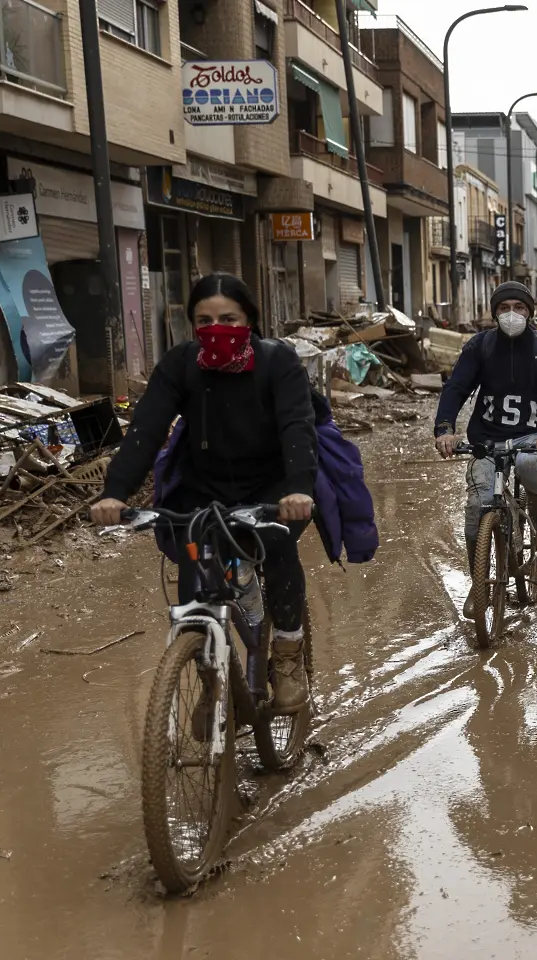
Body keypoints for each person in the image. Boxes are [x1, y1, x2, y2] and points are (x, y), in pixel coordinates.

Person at [91, 274, 317, 712]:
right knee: (194, 565)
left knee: (277, 546)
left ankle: (287, 655)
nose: (217, 328)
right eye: (205, 320)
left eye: (229, 318)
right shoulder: (181, 364)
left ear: (250, 319)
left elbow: (297, 427)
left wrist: (298, 489)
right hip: (204, 487)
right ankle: (210, 677)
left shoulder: (278, 362)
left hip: (274, 486)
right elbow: (147, 428)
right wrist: (115, 492)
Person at [434, 281, 537, 618]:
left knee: (528, 465)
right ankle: (478, 585)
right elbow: (456, 388)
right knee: (475, 509)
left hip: (532, 437)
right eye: (505, 307)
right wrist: (445, 430)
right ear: (495, 312)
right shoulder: (480, 347)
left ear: (530, 312)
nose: (512, 313)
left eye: (520, 307)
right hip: (486, 439)